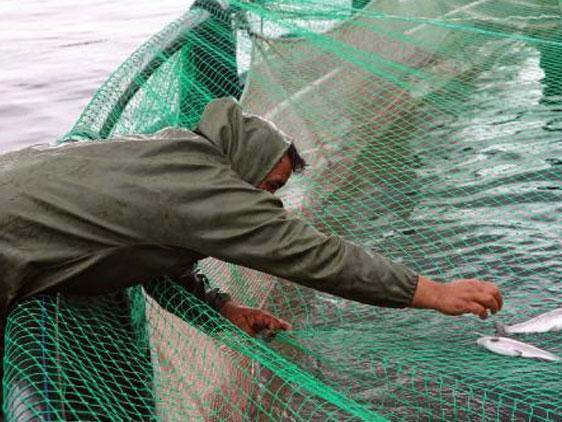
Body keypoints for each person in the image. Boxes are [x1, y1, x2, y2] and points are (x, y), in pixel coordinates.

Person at [0, 97, 502, 417]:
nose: (270, 201)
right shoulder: (201, 186)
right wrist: (432, 292)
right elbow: (312, 255)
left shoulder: (174, 157)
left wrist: (222, 309)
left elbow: (157, 253)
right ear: (241, 165)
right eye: (269, 185)